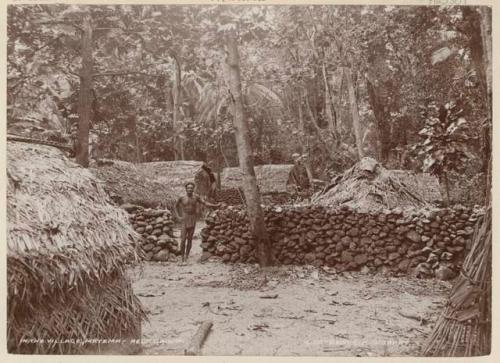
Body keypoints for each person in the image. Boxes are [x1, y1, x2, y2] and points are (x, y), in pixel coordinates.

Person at [175, 182, 220, 263]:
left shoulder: (196, 197)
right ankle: (182, 258)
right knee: (183, 239)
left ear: (193, 189)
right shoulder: (182, 197)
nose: (189, 189)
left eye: (191, 188)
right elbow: (175, 206)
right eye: (188, 188)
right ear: (186, 189)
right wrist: (178, 216)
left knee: (189, 239)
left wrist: (215, 205)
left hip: (192, 218)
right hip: (184, 218)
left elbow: (205, 203)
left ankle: (187, 256)